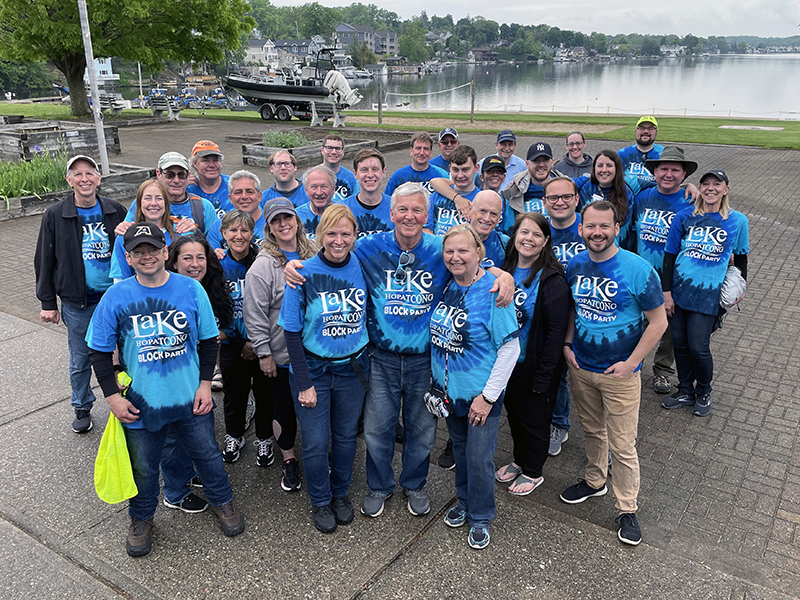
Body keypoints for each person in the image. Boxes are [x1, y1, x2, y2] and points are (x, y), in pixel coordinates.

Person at [283, 183, 515, 520]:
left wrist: (500, 273)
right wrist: (294, 266)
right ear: (391, 214)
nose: (409, 216)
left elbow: (470, 258)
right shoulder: (368, 246)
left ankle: (414, 484)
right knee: (378, 429)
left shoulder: (439, 248)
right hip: (381, 357)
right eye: (402, 209)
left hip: (426, 360)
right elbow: (333, 251)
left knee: (422, 431)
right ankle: (379, 486)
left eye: (416, 210)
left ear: (427, 215)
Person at [86, 222, 244, 557]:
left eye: (152, 249)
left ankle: (223, 501)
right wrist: (112, 397)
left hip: (190, 398)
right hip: (142, 404)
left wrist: (205, 384)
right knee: (144, 467)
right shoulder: (116, 296)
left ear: (164, 252)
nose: (147, 257)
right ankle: (141, 518)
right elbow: (99, 350)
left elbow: (207, 341)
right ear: (128, 257)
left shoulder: (189, 289)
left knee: (208, 455)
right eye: (138, 252)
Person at [560, 201, 667, 547]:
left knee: (622, 444)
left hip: (620, 373)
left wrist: (633, 363)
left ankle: (626, 508)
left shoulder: (638, 269)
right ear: (581, 229)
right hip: (582, 366)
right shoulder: (575, 265)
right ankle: (594, 481)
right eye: (590, 226)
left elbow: (658, 322)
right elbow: (574, 309)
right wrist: (567, 344)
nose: (597, 233)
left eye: (604, 226)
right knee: (592, 430)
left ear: (617, 227)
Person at [279, 204, 369, 534]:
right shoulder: (303, 272)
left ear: (355, 236)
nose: (338, 240)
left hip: (352, 370)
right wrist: (303, 383)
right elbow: (290, 330)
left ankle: (340, 494)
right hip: (313, 370)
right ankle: (320, 500)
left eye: (346, 233)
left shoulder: (362, 264)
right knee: (316, 441)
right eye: (331, 233)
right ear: (319, 235)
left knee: (345, 437)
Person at [433, 224, 520, 550]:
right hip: (450, 393)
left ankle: (481, 515)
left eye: (463, 250)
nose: (455, 257)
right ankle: (465, 501)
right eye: (450, 251)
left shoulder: (493, 292)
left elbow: (510, 349)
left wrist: (487, 397)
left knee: (480, 457)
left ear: (480, 254)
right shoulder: (446, 285)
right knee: (461, 450)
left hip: (481, 396)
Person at [34, 155, 127, 433]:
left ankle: (127, 397)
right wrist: (47, 302)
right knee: (81, 358)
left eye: (90, 173)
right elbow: (44, 260)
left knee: (123, 353)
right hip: (79, 302)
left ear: (99, 179)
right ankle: (82, 405)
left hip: (114, 298)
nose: (84, 178)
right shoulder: (55, 214)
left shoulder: (115, 210)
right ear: (69, 180)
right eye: (77, 174)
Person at [661, 169, 749, 417]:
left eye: (717, 184)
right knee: (679, 343)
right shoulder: (684, 216)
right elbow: (669, 256)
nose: (711, 188)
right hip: (679, 290)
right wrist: (666, 292)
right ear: (700, 188)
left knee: (698, 346)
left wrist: (739, 288)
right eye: (706, 183)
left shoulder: (737, 221)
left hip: (709, 295)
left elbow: (741, 258)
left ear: (726, 189)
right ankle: (686, 390)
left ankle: (704, 392)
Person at [243, 197, 316, 491]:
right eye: (276, 221)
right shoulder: (263, 266)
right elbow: (254, 313)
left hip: (314, 351)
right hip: (281, 353)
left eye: (288, 218)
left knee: (315, 411)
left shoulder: (315, 253)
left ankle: (315, 456)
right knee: (283, 408)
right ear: (270, 228)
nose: (284, 224)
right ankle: (289, 460)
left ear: (297, 220)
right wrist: (264, 353)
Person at [495, 212, 569, 495]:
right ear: (514, 236)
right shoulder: (507, 269)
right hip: (508, 363)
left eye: (536, 234)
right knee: (515, 414)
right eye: (524, 232)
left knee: (535, 419)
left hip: (535, 364)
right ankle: (519, 460)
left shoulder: (552, 279)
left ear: (545, 241)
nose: (529, 239)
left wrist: (545, 373)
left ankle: (534, 471)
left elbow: (555, 332)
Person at [162, 234, 234, 504]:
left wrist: (215, 337)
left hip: (200, 373)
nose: (195, 264)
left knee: (198, 434)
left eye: (200, 257)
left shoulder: (212, 288)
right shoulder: (166, 291)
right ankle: (175, 491)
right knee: (171, 437)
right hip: (173, 374)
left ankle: (188, 473)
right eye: (187, 258)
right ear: (174, 262)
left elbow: (226, 322)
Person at [212, 209, 274, 466]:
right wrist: (239, 343)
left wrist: (258, 343)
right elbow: (216, 307)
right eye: (233, 230)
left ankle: (264, 437)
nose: (239, 235)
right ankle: (234, 435)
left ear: (252, 233)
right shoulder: (216, 266)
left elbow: (274, 304)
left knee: (265, 393)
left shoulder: (265, 261)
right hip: (231, 343)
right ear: (224, 234)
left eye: (245, 230)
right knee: (234, 394)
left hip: (264, 343)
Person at [633, 145, 697, 394]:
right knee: (635, 323)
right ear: (655, 171)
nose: (668, 174)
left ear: (684, 175)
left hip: (674, 277)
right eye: (663, 169)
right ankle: (633, 365)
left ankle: (662, 371)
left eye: (675, 170)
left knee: (669, 329)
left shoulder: (692, 201)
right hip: (642, 275)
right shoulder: (642, 198)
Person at [543, 177, 586, 456]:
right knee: (556, 373)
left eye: (566, 197)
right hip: (553, 313)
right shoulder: (539, 229)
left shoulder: (588, 225)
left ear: (576, 199)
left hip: (588, 311)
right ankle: (559, 423)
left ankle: (602, 439)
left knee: (587, 378)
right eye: (554, 198)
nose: (560, 202)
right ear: (545, 202)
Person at [125, 152, 218, 236]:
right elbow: (126, 238)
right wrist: (121, 230)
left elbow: (215, 246)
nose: (176, 180)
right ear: (159, 174)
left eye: (181, 175)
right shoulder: (143, 204)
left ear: (188, 175)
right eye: (170, 175)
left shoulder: (203, 206)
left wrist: (196, 232)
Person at [110, 179, 176, 282]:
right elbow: (120, 280)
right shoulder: (123, 237)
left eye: (159, 198)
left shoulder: (180, 233)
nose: (153, 203)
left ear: (166, 204)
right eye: (147, 198)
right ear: (139, 204)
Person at [576, 150, 636, 251]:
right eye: (600, 165)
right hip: (588, 250)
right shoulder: (584, 187)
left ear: (617, 168)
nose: (604, 170)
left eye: (609, 165)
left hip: (619, 251)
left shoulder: (628, 192)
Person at [500, 142, 559, 232]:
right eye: (536, 160)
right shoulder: (515, 189)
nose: (541, 164)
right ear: (527, 164)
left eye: (546, 160)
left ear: (552, 162)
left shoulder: (566, 187)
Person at [425, 146, 481, 236]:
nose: (460, 175)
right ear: (450, 168)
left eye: (465, 169)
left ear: (476, 168)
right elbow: (427, 229)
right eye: (455, 170)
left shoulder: (481, 199)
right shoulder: (437, 196)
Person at [206, 170, 267, 249]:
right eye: (238, 192)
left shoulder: (272, 224)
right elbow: (212, 259)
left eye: (250, 192)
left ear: (259, 196)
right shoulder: (218, 227)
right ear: (230, 198)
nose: (244, 196)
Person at [339, 148, 393, 237]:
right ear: (355, 174)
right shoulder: (340, 209)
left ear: (384, 172)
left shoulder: (397, 208)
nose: (370, 175)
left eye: (375, 169)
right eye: (364, 170)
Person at [384, 132, 448, 196]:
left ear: (431, 152)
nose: (422, 153)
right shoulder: (398, 176)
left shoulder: (442, 175)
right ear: (411, 151)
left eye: (426, 149)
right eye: (418, 148)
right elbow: (387, 201)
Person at [186, 140, 231, 219]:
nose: (212, 165)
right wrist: (181, 187)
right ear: (194, 163)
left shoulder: (233, 185)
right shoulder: (187, 188)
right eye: (205, 161)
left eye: (215, 160)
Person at [617, 116, 664, 191]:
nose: (645, 131)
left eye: (651, 128)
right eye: (641, 128)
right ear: (636, 131)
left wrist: (687, 186)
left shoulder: (664, 154)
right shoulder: (622, 155)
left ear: (656, 132)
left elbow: (678, 180)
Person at [313, 133, 359, 201]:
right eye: (329, 148)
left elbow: (356, 203)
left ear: (343, 152)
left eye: (337, 148)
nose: (334, 152)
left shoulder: (352, 179)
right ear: (322, 150)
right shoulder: (310, 176)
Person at [295, 165, 336, 240]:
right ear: (306, 190)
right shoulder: (295, 217)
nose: (319, 192)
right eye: (314, 187)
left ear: (333, 189)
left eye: (324, 186)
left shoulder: (343, 213)